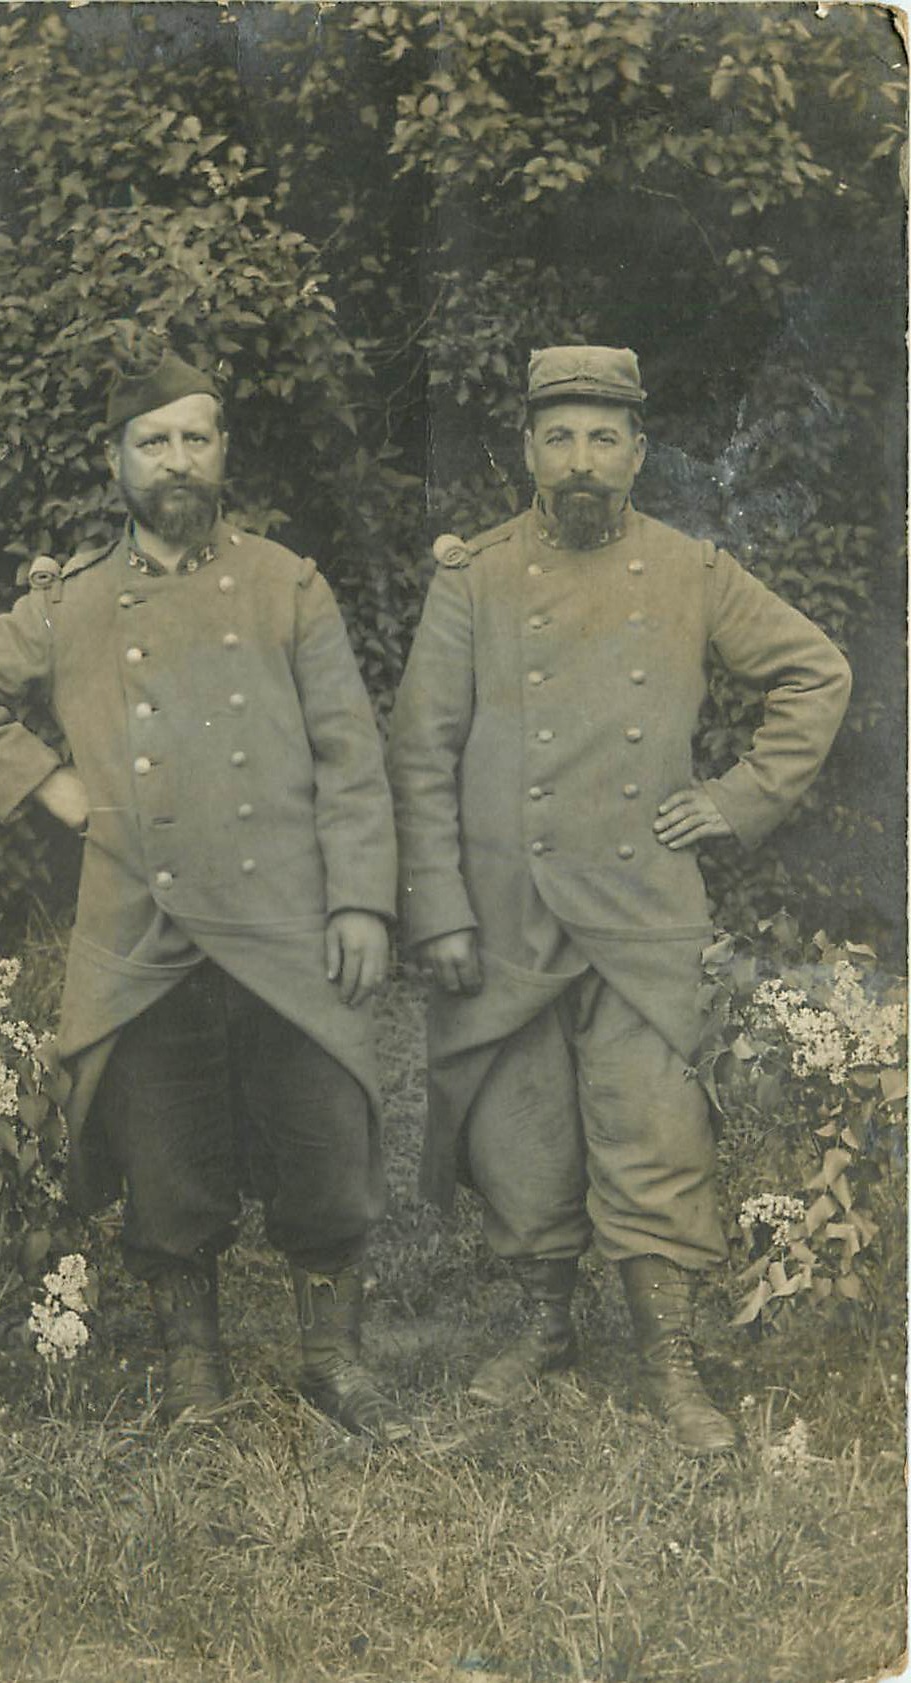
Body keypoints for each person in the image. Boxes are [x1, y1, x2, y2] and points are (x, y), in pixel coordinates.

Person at [0, 350, 409, 1443]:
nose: (175, 460)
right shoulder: (72, 604)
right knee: (166, 1154)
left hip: (284, 918)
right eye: (153, 440)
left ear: (222, 454)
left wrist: (360, 901)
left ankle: (334, 1357)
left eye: (194, 438)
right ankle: (195, 1367)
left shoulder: (287, 583)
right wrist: (52, 782)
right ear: (116, 459)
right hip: (148, 928)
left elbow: (348, 756)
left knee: (322, 1137)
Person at [386, 345, 852, 1455]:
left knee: (653, 1126)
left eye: (604, 437)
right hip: (505, 903)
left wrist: (736, 797)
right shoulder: (476, 577)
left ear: (639, 453)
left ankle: (667, 1360)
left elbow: (813, 671)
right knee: (516, 1125)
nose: (581, 460)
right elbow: (418, 748)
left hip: (643, 901)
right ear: (526, 451)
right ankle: (541, 1326)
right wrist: (438, 906)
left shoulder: (690, 570)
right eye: (559, 436)